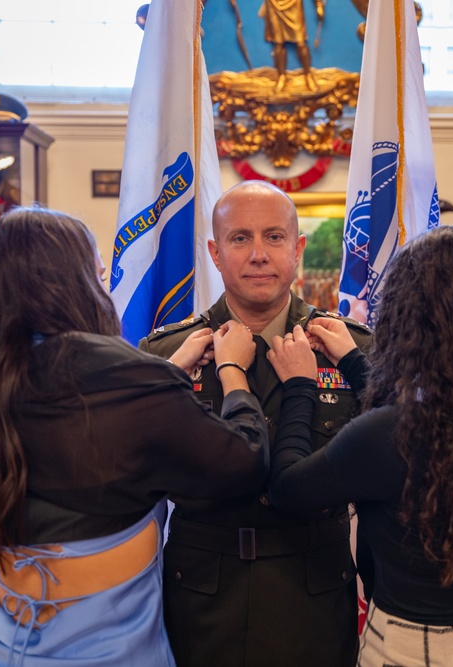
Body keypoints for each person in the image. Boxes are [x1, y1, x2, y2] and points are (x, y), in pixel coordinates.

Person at [0, 207, 269, 667]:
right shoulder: (134, 382)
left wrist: (166, 371)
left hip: (6, 635)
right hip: (105, 644)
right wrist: (233, 369)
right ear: (74, 285)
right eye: (98, 274)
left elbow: (77, 431)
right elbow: (245, 463)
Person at [264, 225, 453, 666]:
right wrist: (351, 360)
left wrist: (300, 387)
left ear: (406, 318)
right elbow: (424, 436)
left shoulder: (387, 435)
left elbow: (288, 489)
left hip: (406, 652)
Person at [140, 180, 372, 667]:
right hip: (202, 599)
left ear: (298, 248)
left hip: (313, 595)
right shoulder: (166, 354)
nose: (259, 254)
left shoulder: (352, 350)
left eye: (273, 237)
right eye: (240, 238)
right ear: (215, 253)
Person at [259, 0, 324, 91]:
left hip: (294, 4)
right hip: (274, 4)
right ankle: (281, 77)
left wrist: (318, 4)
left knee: (300, 42)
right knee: (278, 43)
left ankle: (308, 75)